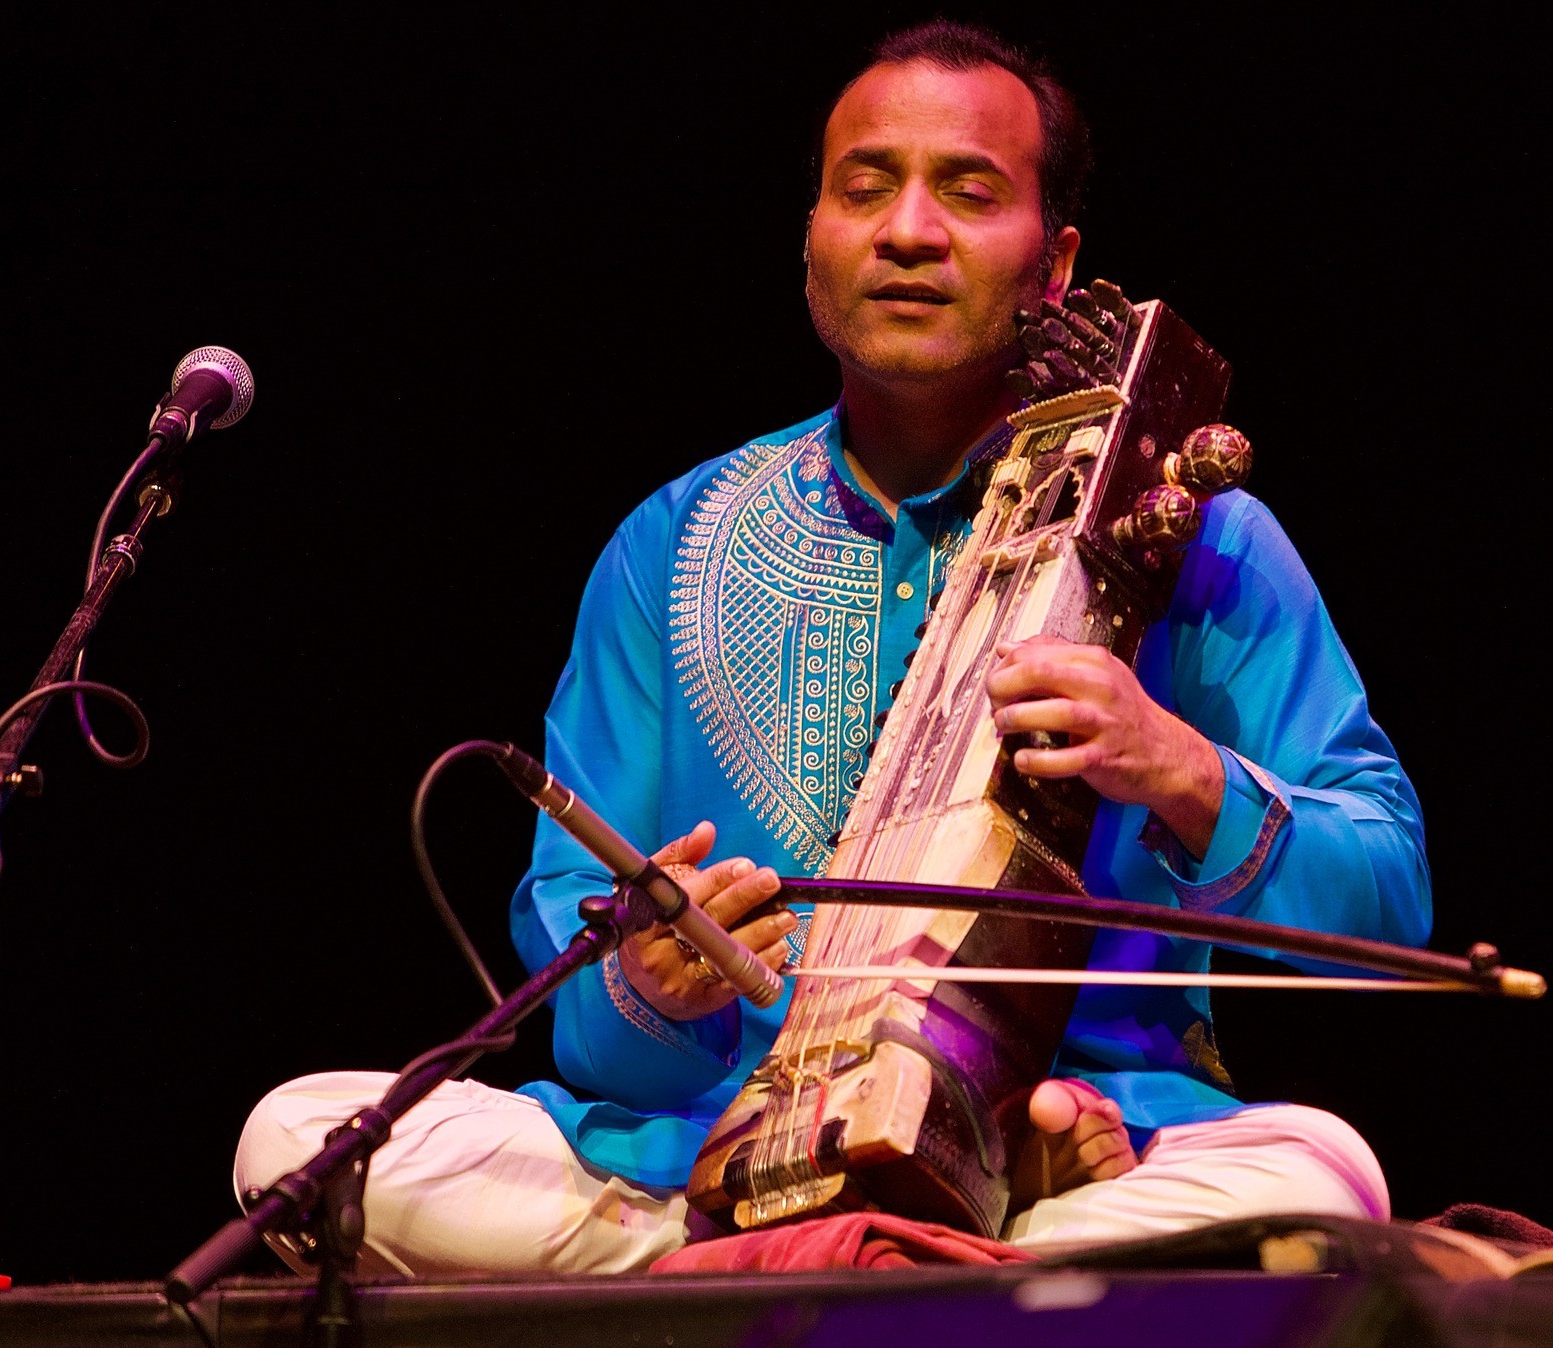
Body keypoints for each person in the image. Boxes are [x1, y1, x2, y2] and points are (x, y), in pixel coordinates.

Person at [236, 20, 1429, 1277]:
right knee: (303, 1135)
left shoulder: (1182, 526)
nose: (906, 231)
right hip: (699, 1153)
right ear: (809, 235)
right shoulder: (671, 543)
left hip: (1093, 1141)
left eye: (967, 193)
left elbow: (1386, 891)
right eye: (863, 188)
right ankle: (886, 1262)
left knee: (1314, 1169)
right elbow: (579, 1009)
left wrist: (1179, 770)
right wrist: (648, 978)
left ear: (1054, 262)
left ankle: (822, 1262)